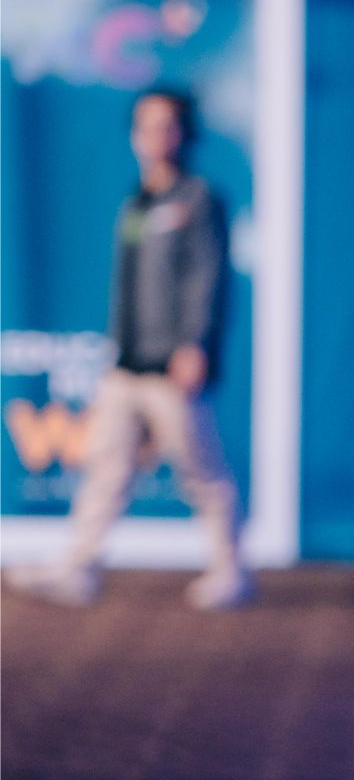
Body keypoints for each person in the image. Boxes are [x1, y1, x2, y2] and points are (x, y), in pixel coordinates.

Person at [8, 87, 251, 611]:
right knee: (105, 468)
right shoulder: (135, 201)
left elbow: (207, 278)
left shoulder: (197, 199)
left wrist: (195, 344)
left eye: (166, 125)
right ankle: (77, 569)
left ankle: (231, 570)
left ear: (184, 133)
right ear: (134, 135)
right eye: (146, 126)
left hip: (173, 367)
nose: (155, 136)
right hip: (127, 366)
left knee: (201, 471)